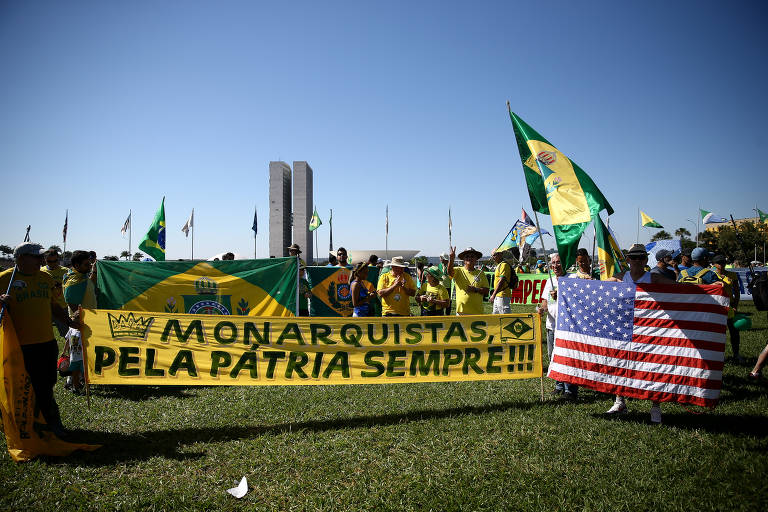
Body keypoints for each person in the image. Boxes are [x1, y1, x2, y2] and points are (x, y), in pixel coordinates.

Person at [0, 242, 77, 436]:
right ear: (20, 258)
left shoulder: (45, 278)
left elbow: (53, 306)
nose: (41, 261)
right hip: (17, 346)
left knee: (46, 384)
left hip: (46, 343)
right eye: (36, 257)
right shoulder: (4, 279)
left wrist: (68, 321)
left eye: (41, 257)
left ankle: (50, 423)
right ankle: (16, 423)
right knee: (19, 386)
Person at [607, 244, 669, 422]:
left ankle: (655, 406)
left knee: (652, 367)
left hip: (649, 330)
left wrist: (710, 287)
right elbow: (597, 286)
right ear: (627, 259)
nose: (637, 260)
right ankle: (619, 401)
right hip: (625, 328)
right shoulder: (620, 278)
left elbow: (680, 288)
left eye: (640, 257)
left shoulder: (654, 278)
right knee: (621, 363)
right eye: (633, 257)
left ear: (646, 259)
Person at [536, 252, 578, 399]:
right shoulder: (550, 281)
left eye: (558, 262)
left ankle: (570, 389)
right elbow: (545, 301)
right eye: (553, 263)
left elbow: (576, 300)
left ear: (565, 264)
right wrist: (542, 309)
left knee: (567, 357)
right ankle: (559, 385)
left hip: (567, 327)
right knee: (552, 356)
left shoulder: (572, 278)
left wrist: (560, 295)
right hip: (551, 325)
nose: (555, 266)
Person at [711, 254, 742, 361]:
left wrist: (735, 305)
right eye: (719, 263)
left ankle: (736, 354)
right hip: (716, 306)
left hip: (729, 306)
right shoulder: (710, 275)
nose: (722, 265)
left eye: (723, 262)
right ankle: (716, 356)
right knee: (716, 333)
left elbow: (737, 292)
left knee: (734, 331)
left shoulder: (732, 274)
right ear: (714, 264)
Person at [447, 247, 489, 315]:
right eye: (467, 256)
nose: (469, 258)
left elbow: (486, 291)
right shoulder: (458, 270)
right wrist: (451, 259)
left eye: (472, 256)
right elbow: (449, 272)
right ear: (463, 259)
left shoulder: (481, 273)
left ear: (476, 259)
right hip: (461, 312)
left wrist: (475, 289)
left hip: (477, 312)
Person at [42, 249, 69, 336]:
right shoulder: (40, 271)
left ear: (59, 259)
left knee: (66, 334)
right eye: (50, 261)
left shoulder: (66, 271)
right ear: (45, 260)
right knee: (43, 334)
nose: (53, 263)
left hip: (62, 307)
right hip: (45, 307)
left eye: (55, 261)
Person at [489, 249, 518, 314]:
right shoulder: (499, 265)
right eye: (492, 255)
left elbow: (501, 281)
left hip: (503, 295)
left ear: (500, 254)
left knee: (505, 317)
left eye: (494, 255)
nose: (492, 257)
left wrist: (493, 294)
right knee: (495, 316)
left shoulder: (504, 265)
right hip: (498, 295)